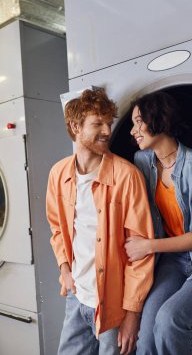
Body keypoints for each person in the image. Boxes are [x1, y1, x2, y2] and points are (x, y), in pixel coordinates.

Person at [46, 88, 154, 355]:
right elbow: (57, 227)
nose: (107, 130)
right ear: (75, 127)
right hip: (76, 296)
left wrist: (132, 315)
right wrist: (64, 268)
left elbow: (141, 252)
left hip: (113, 304)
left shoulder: (126, 176)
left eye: (109, 122)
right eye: (97, 123)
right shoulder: (58, 174)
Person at [125, 91, 192, 355]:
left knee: (170, 321)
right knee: (146, 335)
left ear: (158, 119)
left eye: (138, 121)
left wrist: (149, 246)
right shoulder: (143, 162)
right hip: (172, 261)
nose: (132, 130)